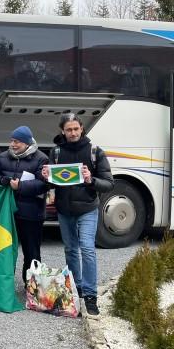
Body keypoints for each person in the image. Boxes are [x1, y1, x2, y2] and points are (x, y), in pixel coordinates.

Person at [42, 113, 113, 317]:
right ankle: (76, 289)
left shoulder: (94, 151)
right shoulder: (55, 152)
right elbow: (51, 183)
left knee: (87, 249)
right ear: (62, 131)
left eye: (76, 129)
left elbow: (109, 183)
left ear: (82, 129)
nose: (72, 133)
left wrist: (91, 180)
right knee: (71, 250)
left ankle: (90, 296)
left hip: (88, 208)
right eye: (68, 130)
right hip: (65, 211)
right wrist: (45, 178)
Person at [0, 126, 48, 284]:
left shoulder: (41, 158)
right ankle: (4, 284)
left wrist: (20, 186)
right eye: (12, 141)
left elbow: (43, 184)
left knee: (32, 252)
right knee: (5, 250)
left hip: (31, 213)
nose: (13, 144)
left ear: (27, 143)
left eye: (17, 142)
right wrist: (3, 181)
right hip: (7, 212)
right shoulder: (2, 157)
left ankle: (32, 285)